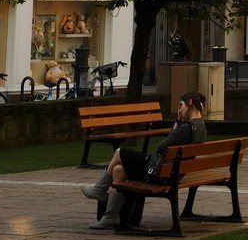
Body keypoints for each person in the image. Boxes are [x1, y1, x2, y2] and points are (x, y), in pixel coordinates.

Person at [83, 91, 207, 229]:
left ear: (190, 102)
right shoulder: (200, 126)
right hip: (173, 172)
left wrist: (177, 123)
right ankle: (111, 216)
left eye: (180, 105)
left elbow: (160, 147)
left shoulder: (186, 128)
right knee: (118, 170)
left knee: (119, 152)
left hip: (160, 173)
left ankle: (99, 190)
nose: (179, 109)